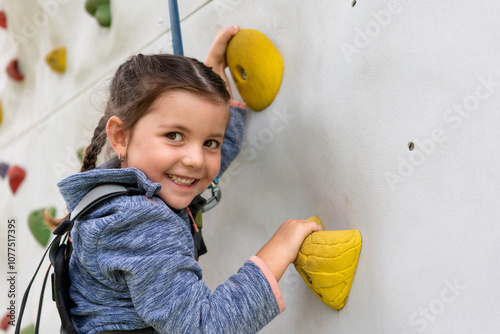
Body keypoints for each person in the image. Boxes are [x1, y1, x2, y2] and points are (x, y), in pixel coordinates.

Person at [49, 26, 322, 334]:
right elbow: (202, 327)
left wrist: (213, 75)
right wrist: (278, 250)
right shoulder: (140, 220)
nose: (195, 159)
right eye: (174, 135)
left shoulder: (122, 188)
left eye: (210, 143)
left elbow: (201, 167)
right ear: (121, 137)